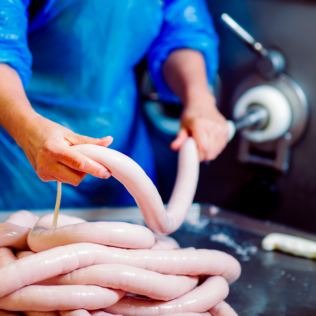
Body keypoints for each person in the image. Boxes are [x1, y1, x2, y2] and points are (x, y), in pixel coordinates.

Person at [0, 0, 228, 209]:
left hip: (123, 142)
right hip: (23, 149)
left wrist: (198, 98)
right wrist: (28, 129)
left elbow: (181, 29)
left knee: (140, 241)